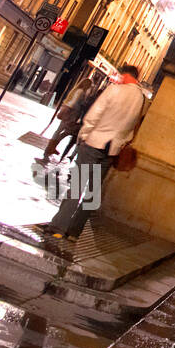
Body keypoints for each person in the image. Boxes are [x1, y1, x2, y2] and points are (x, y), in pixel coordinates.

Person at [42, 65, 148, 245]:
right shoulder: (142, 99)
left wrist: (84, 135)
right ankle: (75, 231)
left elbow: (94, 115)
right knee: (92, 191)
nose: (119, 78)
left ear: (126, 75)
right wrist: (121, 142)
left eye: (121, 76)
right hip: (112, 149)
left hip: (94, 142)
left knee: (77, 185)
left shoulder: (114, 90)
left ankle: (58, 227)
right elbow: (133, 126)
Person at [37, 74, 96, 166]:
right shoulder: (81, 92)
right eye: (89, 87)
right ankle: (50, 148)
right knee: (61, 131)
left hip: (70, 114)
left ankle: (51, 147)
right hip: (70, 114)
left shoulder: (78, 91)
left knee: (61, 131)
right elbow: (73, 103)